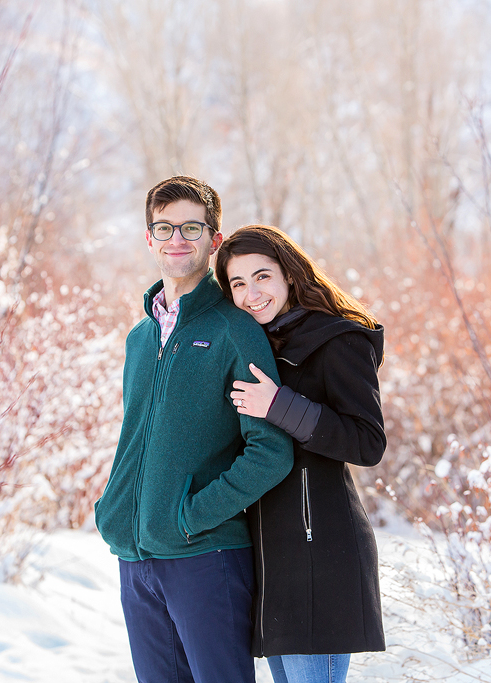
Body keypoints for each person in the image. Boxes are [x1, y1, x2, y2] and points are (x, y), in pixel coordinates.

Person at [93, 179, 294, 683]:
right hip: (136, 555)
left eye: (191, 227)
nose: (176, 237)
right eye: (164, 227)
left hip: (205, 555)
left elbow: (270, 450)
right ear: (149, 238)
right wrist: (114, 510)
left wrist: (191, 516)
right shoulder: (140, 338)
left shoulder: (234, 329)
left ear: (214, 239)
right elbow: (135, 437)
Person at [215, 224, 386, 683]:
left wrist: (279, 406)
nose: (251, 293)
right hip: (273, 561)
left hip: (322, 550)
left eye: (262, 276)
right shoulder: (258, 347)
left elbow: (368, 442)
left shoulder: (338, 339)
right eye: (238, 283)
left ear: (289, 274)